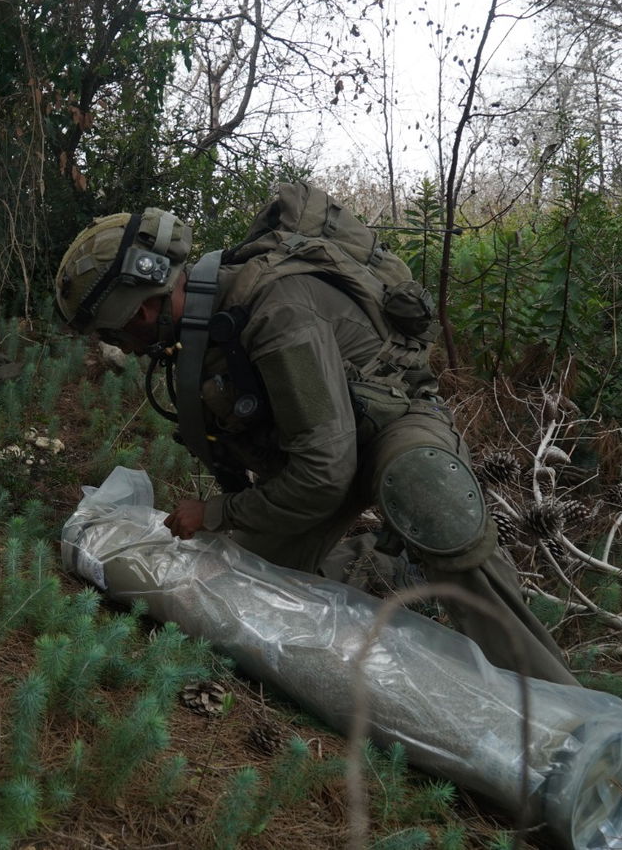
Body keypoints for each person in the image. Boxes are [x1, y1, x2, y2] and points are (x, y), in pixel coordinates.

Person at [54, 186, 578, 686]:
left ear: (141, 310)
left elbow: (323, 474)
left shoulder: (276, 307)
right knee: (228, 592)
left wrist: (216, 513)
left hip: (390, 427)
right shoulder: (201, 326)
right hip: (321, 454)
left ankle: (559, 704)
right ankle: (382, 565)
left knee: (428, 494)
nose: (123, 346)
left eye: (115, 333)